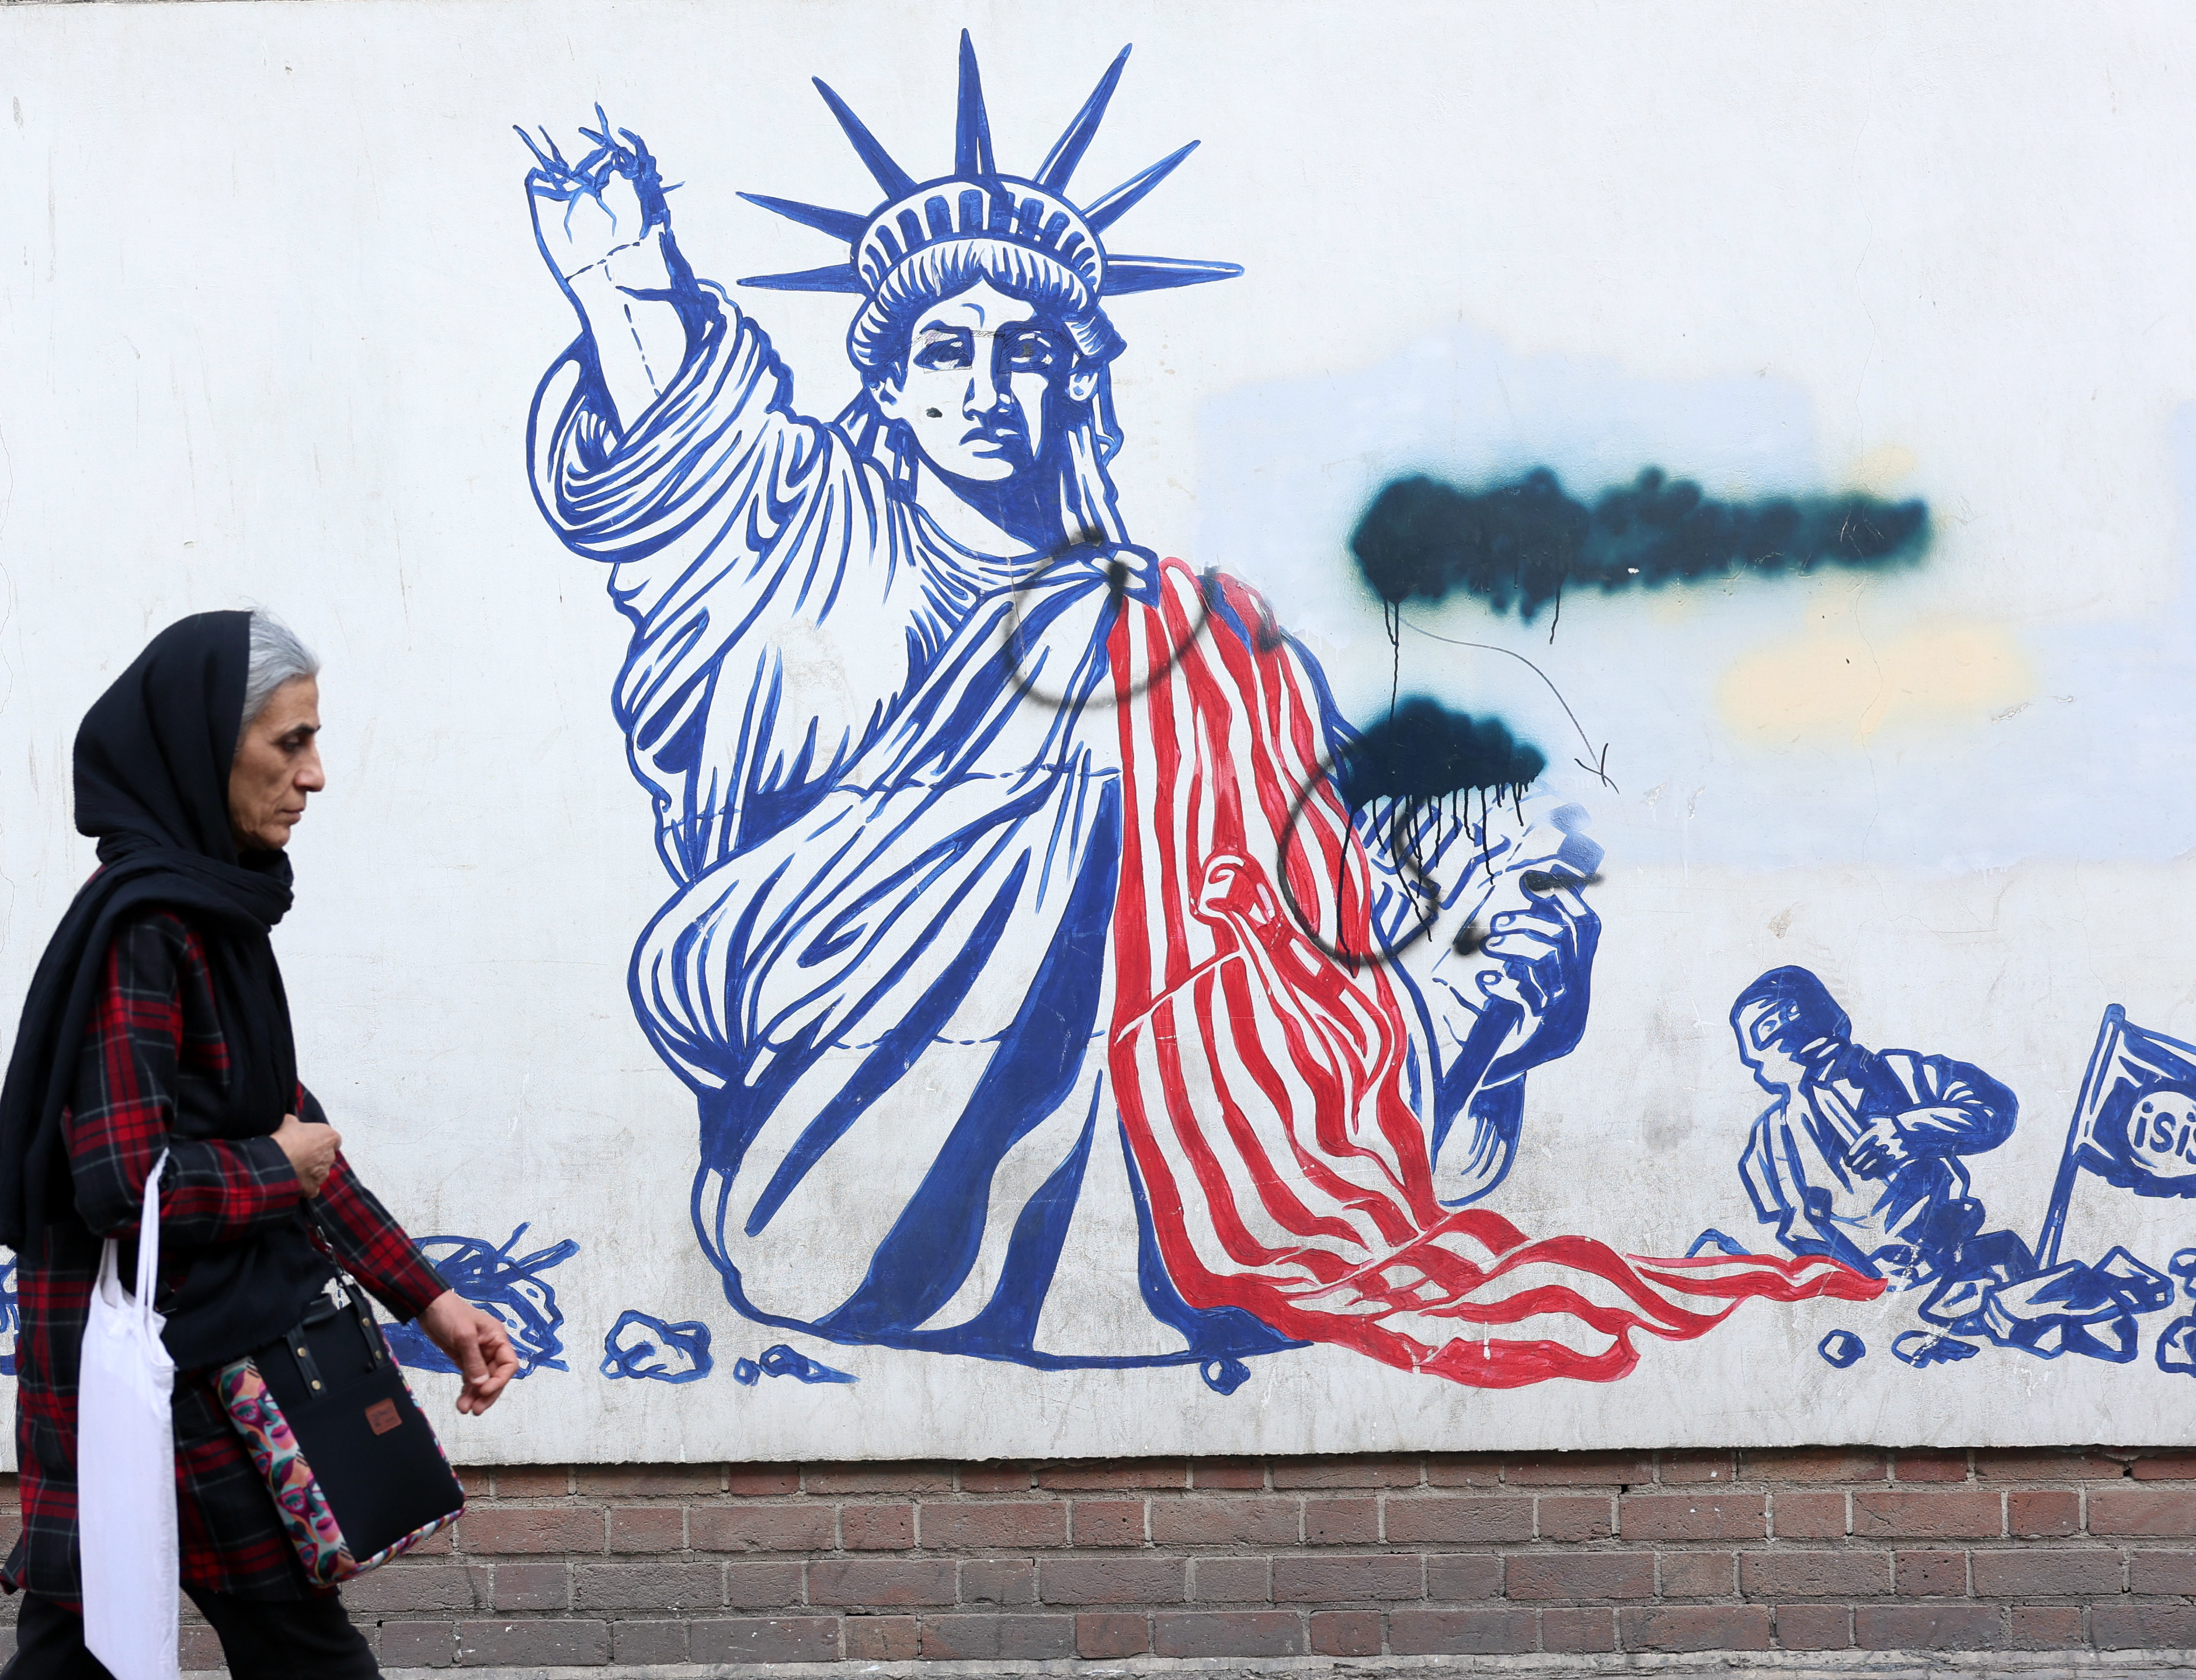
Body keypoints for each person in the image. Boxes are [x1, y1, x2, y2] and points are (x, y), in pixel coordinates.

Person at [520, 37, 1878, 1388]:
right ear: (885, 384)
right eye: (945, 350)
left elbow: (1306, 865)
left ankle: (1307, 1136)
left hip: (1181, 1099)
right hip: (842, 1057)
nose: (987, 387)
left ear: (1079, 382)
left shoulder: (1196, 629)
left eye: (1027, 350)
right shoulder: (814, 541)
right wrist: (620, 278)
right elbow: (688, 469)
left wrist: (1456, 871)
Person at [0, 610, 517, 1680]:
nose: (313, 775)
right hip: (166, 1375)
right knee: (293, 1656)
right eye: (289, 742)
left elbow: (294, 1128)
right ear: (199, 749)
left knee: (82, 1649)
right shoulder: (148, 929)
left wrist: (434, 1306)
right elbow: (123, 1189)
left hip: (183, 1361)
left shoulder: (212, 915)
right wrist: (276, 1166)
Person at [1730, 965, 2017, 1282]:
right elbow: (1775, 1230)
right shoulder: (1768, 1138)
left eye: (1769, 1028)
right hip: (1852, 1285)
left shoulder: (1904, 1072)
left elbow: (1995, 1110)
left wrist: (1908, 1131)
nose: (1755, 1059)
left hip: (1947, 1261)